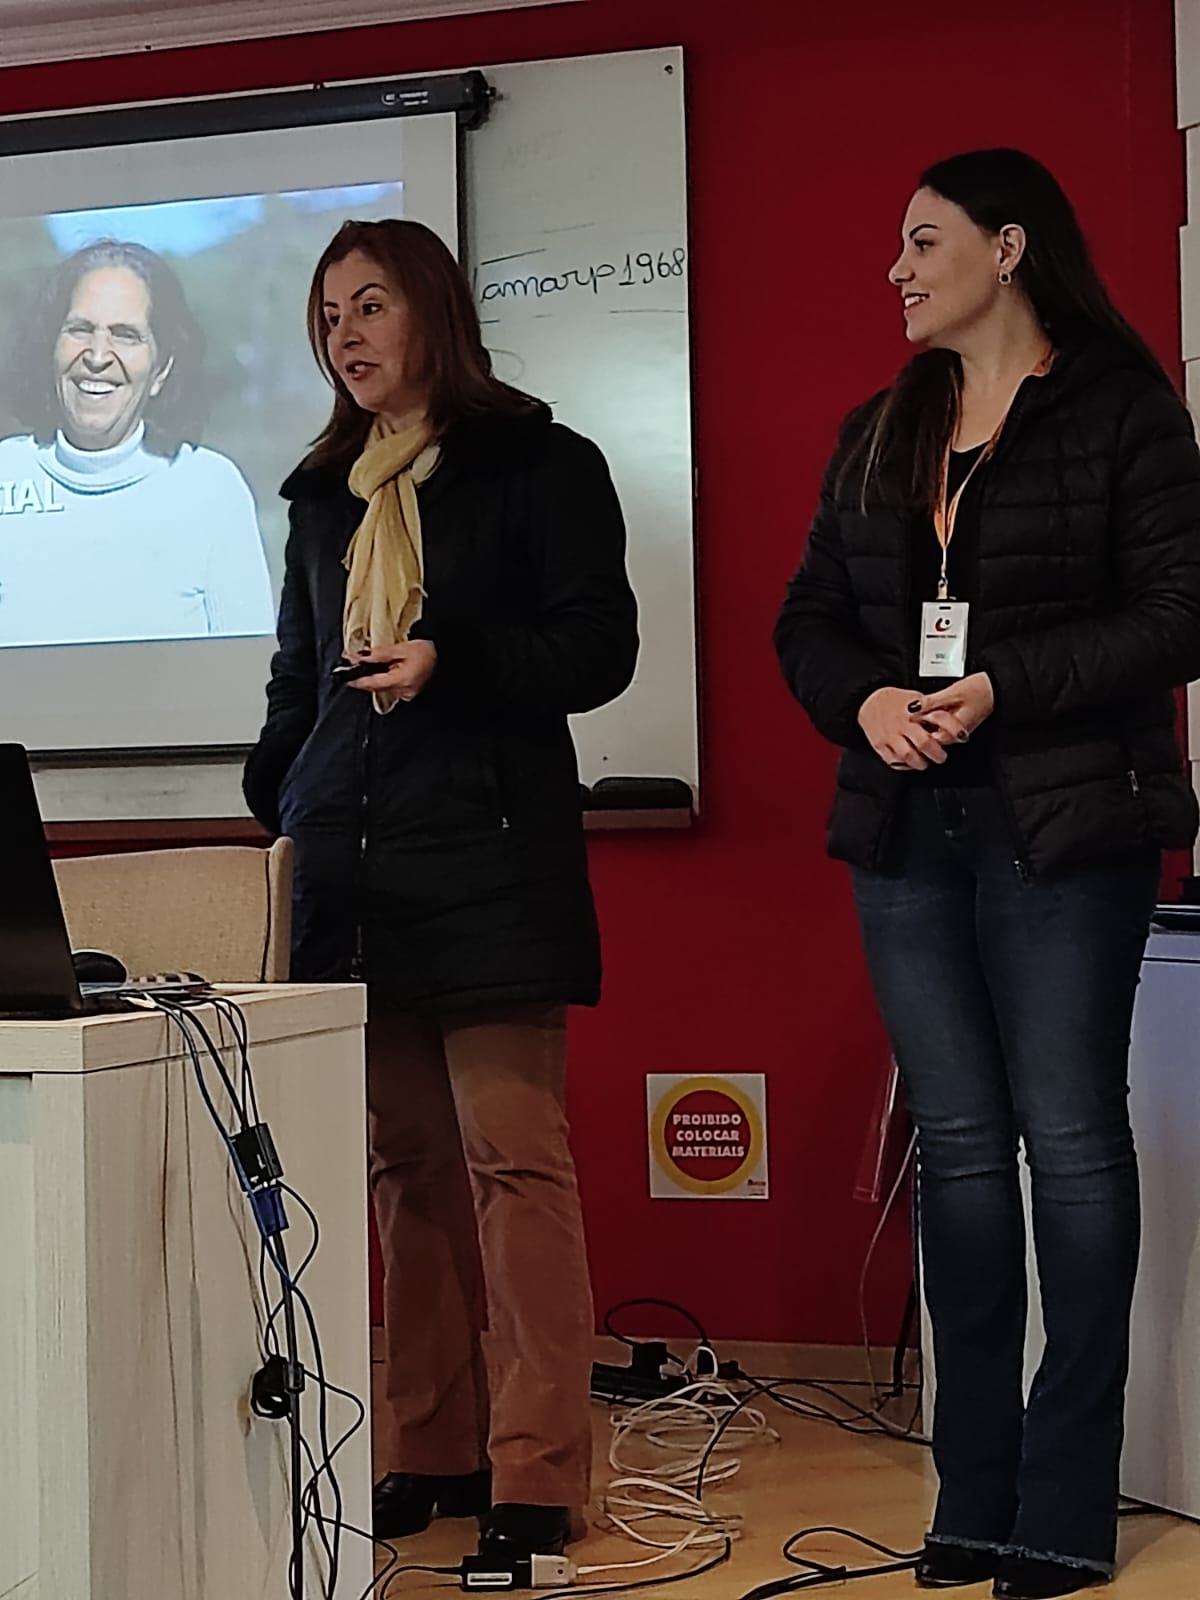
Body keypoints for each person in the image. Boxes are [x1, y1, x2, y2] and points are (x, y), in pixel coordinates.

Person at [774, 149, 1200, 1600]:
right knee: (956, 1154)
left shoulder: (1126, 412)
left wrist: (1007, 686)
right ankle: (974, 1492)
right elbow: (810, 621)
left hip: (1068, 831)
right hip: (910, 836)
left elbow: (1175, 618)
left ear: (1010, 246)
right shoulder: (882, 428)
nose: (896, 269)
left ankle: (1067, 1501)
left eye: (923, 240)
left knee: (1069, 1142)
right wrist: (868, 703)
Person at [242, 218, 638, 1561]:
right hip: (350, 866)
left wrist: (447, 659)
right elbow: (299, 680)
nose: (346, 335)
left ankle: (537, 1465)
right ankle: (428, 1446)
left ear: (433, 315)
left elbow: (599, 647)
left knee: (513, 1162)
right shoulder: (318, 493)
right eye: (328, 316)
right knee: (402, 1167)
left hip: (491, 858)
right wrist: (275, 793)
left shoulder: (541, 462)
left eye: (370, 307)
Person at [0, 239, 274, 646]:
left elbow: (251, 683)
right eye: (79, 330)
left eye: (125, 335)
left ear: (161, 369)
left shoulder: (212, 489)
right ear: (51, 348)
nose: (97, 355)